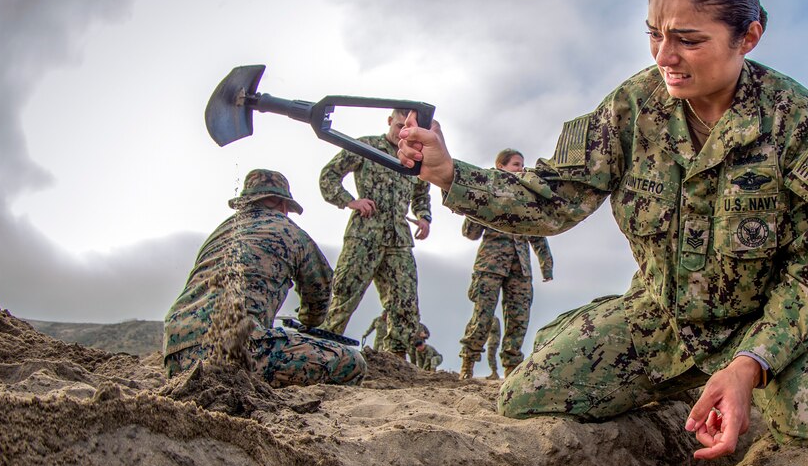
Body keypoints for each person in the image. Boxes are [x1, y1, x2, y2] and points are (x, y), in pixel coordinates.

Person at [398, 0, 808, 460]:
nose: (664, 56)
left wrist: (750, 365)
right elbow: (553, 195)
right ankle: (670, 390)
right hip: (664, 321)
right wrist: (448, 173)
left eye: (688, 39)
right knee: (528, 394)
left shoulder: (803, 128)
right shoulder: (631, 108)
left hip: (773, 331)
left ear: (748, 38)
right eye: (654, 34)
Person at [164, 169, 366, 386]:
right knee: (351, 362)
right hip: (235, 348)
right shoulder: (290, 231)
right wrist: (308, 322)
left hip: (175, 351)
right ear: (283, 205)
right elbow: (319, 294)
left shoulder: (220, 233)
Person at [319, 108, 431, 357]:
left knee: (405, 301)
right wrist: (350, 201)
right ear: (389, 121)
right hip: (365, 234)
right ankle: (323, 351)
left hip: (398, 239)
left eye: (407, 128)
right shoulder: (367, 146)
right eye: (398, 125)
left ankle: (396, 359)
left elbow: (422, 192)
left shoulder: (413, 156)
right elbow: (329, 176)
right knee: (344, 293)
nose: (402, 132)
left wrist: (424, 217)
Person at [458, 149, 554, 380]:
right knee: (483, 316)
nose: (521, 168)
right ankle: (468, 364)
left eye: (522, 164)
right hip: (490, 264)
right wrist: (475, 204)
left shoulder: (527, 196)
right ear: (500, 166)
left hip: (520, 268)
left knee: (518, 318)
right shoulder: (488, 191)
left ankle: (512, 369)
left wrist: (546, 265)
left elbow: (537, 233)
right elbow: (469, 233)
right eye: (515, 164)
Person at [484, 314, 502, 379]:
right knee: (490, 356)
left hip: (493, 340)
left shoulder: (494, 319)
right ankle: (493, 372)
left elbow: (494, 328)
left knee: (491, 356)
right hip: (491, 340)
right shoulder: (492, 318)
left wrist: (486, 326)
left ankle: (494, 373)